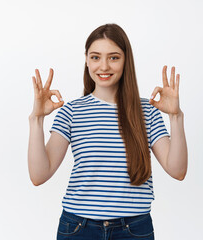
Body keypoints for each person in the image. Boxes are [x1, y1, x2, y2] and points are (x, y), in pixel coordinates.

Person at [28, 23, 188, 240]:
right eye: (95, 57)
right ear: (86, 60)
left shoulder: (147, 111)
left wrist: (175, 117)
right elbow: (39, 175)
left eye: (113, 57)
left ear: (126, 61)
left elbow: (177, 170)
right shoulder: (72, 111)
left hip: (133, 230)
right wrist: (37, 119)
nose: (103, 66)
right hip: (78, 228)